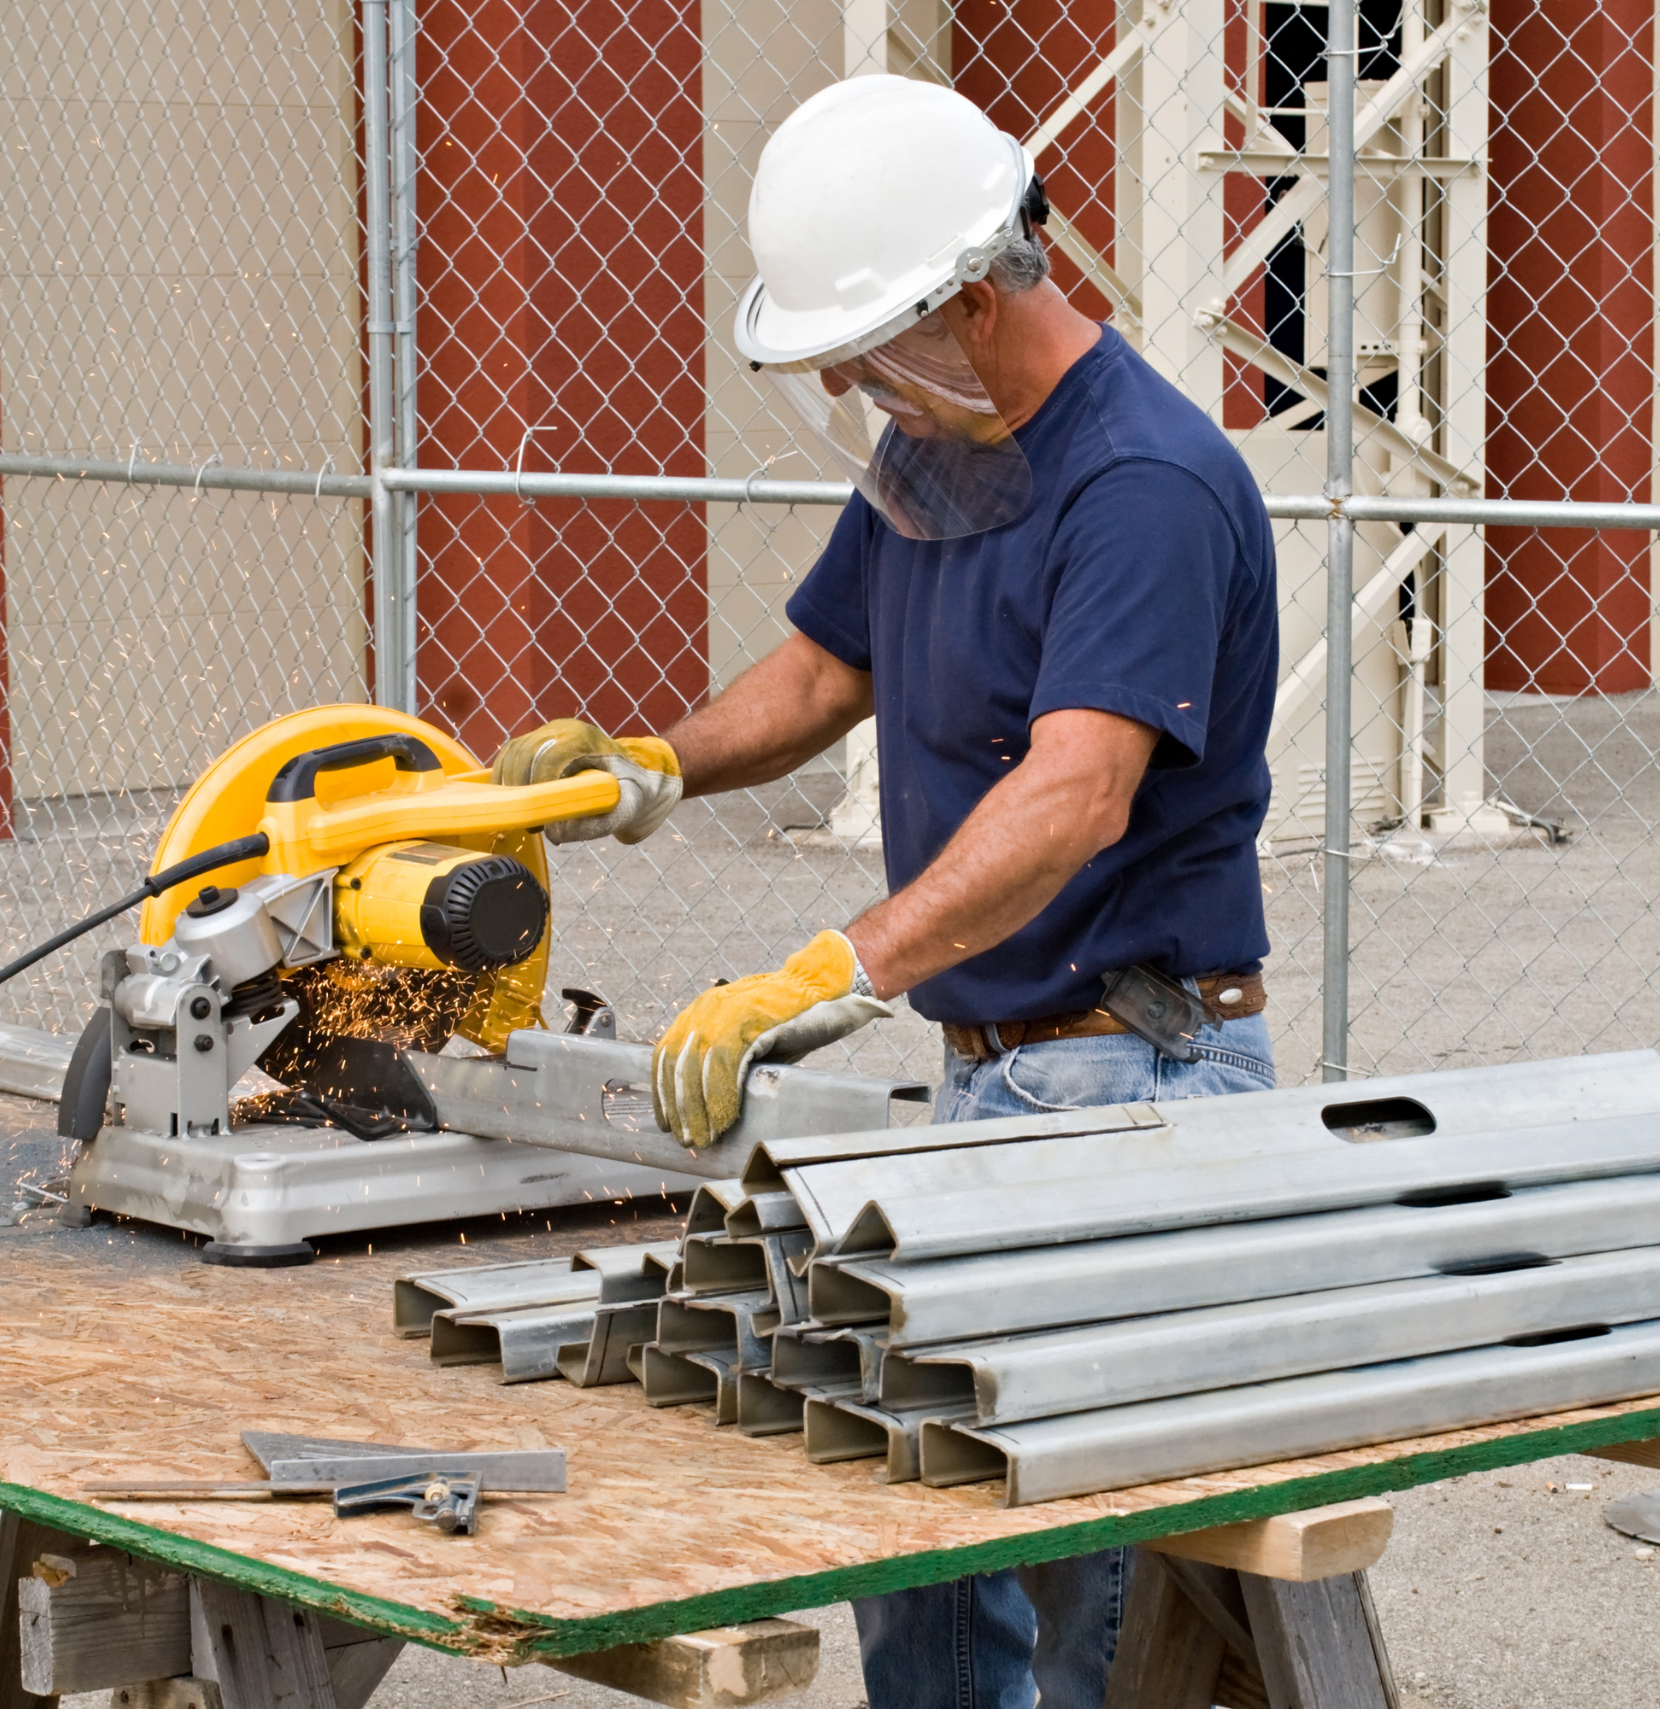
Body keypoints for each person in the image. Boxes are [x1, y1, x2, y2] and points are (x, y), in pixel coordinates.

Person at [491, 73, 1281, 1709]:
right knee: (911, 1517)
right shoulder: (949, 445)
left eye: (867, 347)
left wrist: (830, 967)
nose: (851, 381)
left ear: (976, 300)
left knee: (1088, 1566)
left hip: (1131, 1076)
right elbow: (824, 668)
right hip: (998, 1067)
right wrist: (646, 768)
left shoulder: (1141, 482)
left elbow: (1075, 796)